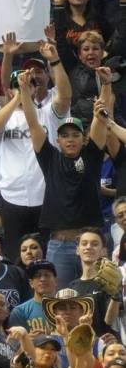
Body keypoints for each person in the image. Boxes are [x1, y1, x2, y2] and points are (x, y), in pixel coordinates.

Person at [0, 48, 72, 264]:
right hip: (11, 196)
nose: (25, 87)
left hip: (45, 195)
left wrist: (54, 59)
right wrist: (17, 97)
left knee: (46, 256)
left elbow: (65, 96)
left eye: (31, 84)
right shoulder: (6, 116)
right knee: (15, 256)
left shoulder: (47, 113)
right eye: (19, 84)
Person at [26, 63, 107, 287]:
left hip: (90, 242)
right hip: (59, 244)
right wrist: (24, 91)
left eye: (75, 134)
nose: (70, 139)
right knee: (58, 302)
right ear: (58, 140)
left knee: (97, 298)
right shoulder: (50, 158)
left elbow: (102, 119)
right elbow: (33, 123)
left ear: (84, 138)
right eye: (65, 135)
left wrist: (107, 86)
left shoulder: (93, 155)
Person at [10, 260, 58, 335]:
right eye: (37, 276)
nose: (42, 279)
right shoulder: (20, 312)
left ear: (56, 281)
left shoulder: (67, 308)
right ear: (31, 283)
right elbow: (14, 344)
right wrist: (27, 340)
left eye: (47, 275)